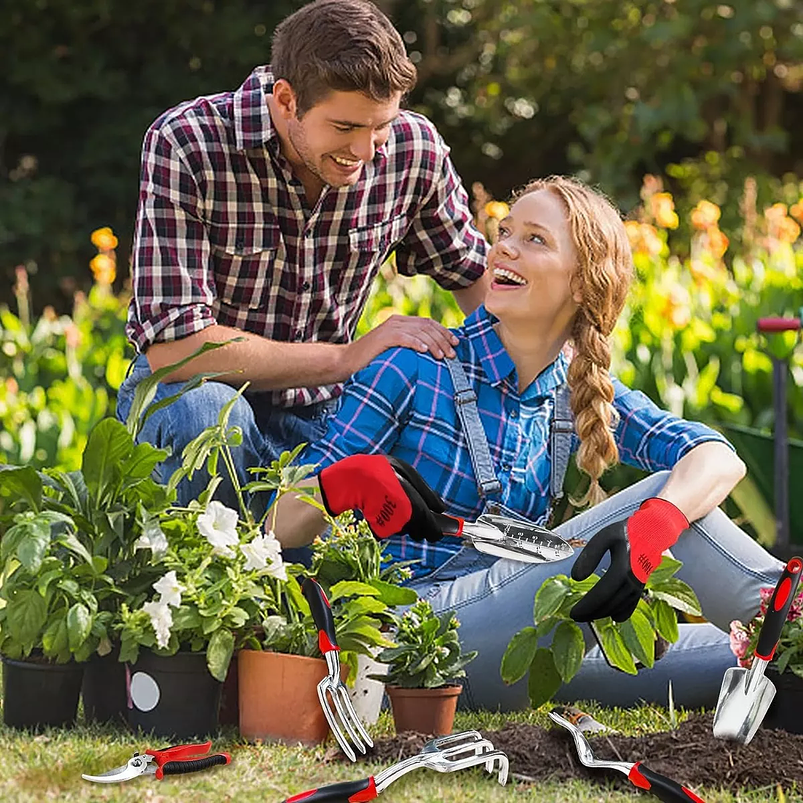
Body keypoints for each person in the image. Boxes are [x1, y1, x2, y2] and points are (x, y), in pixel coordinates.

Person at [272, 175, 784, 710]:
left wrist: (656, 527)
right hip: (414, 643)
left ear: (582, 284)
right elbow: (273, 528)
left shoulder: (578, 390)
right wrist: (337, 485)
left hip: (515, 645)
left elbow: (718, 457)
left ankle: (788, 644)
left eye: (534, 239)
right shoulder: (415, 366)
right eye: (505, 232)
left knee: (746, 662)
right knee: (665, 497)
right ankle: (792, 619)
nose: (503, 248)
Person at [114, 0, 488, 519]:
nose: (367, 150)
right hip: (196, 403)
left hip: (324, 416)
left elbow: (473, 276)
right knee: (206, 415)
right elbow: (175, 351)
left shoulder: (411, 150)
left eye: (380, 126)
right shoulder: (190, 143)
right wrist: (347, 357)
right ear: (286, 100)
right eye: (345, 128)